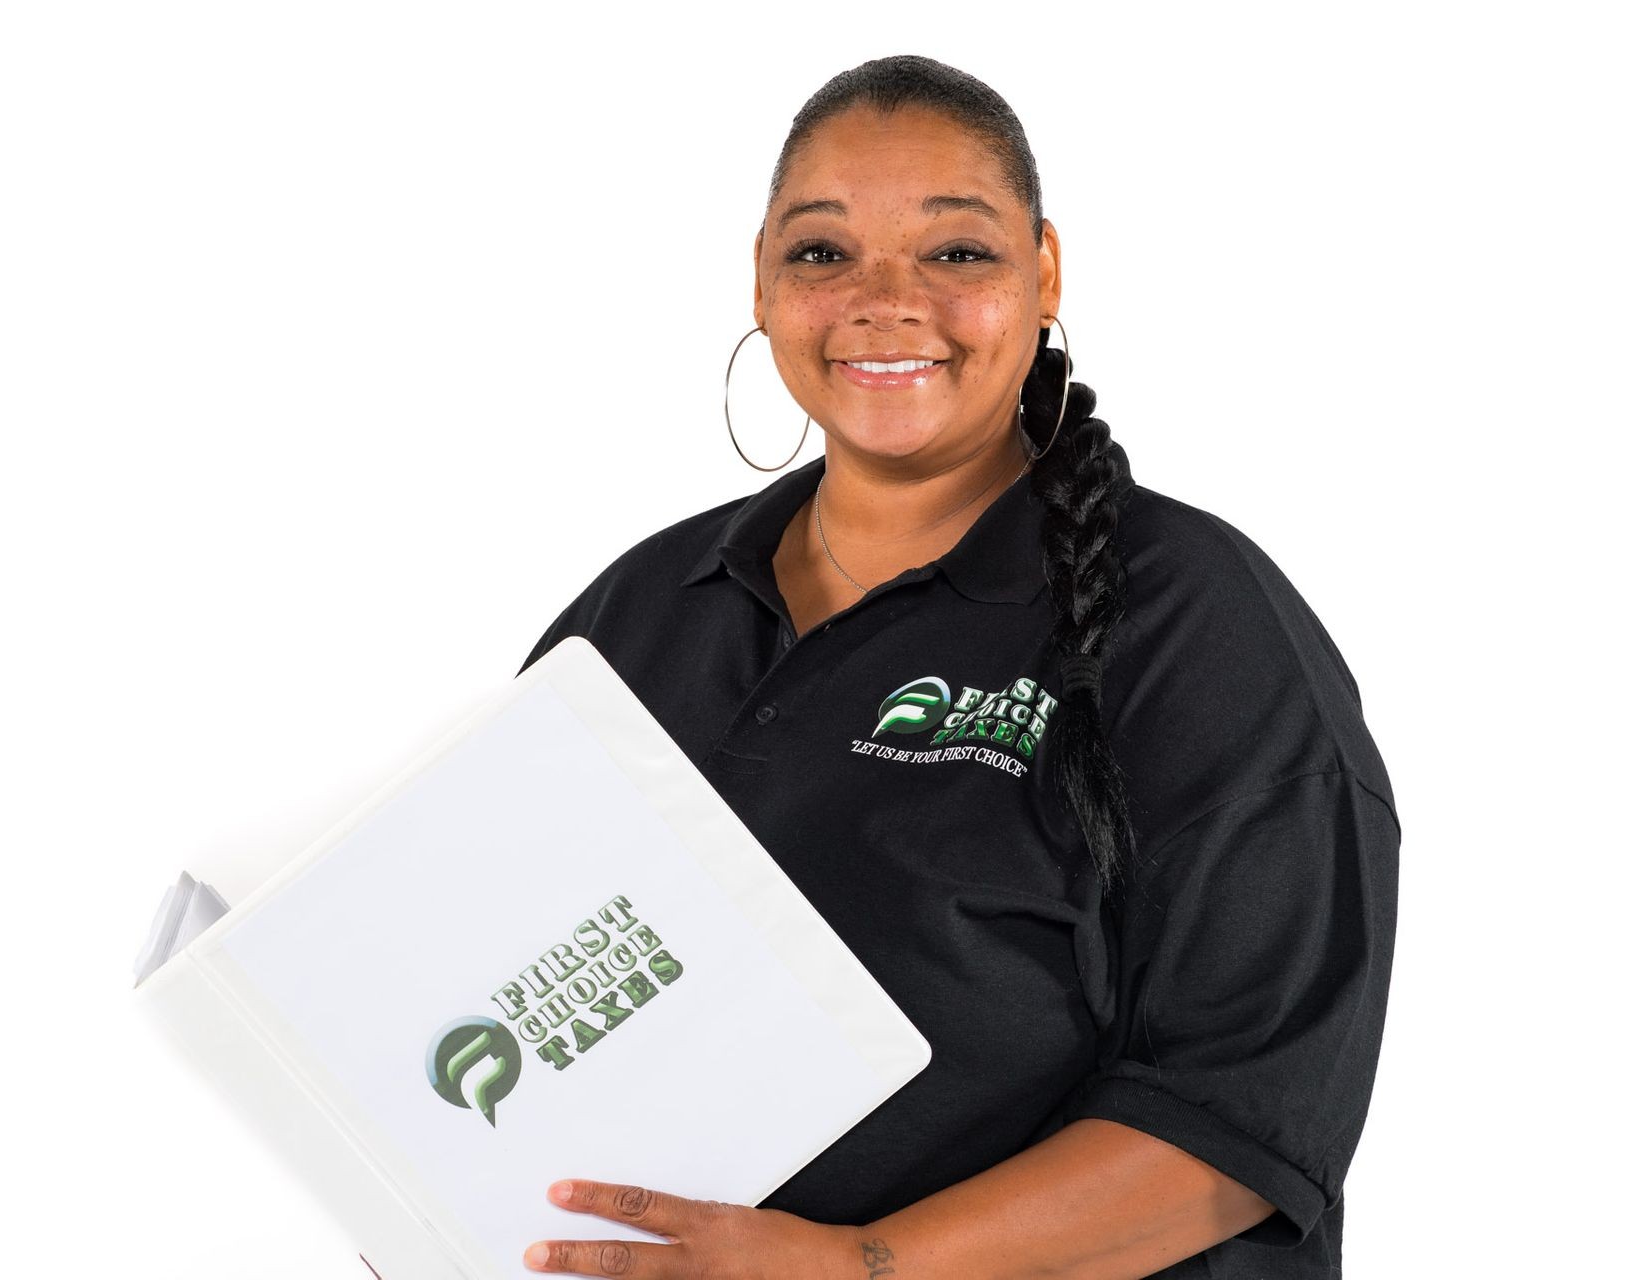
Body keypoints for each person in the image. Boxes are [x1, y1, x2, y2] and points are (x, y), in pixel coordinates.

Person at [513, 55, 1400, 1280]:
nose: (885, 299)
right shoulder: (644, 612)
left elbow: (1239, 1126)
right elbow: (507, 962)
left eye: (957, 253)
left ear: (1043, 273)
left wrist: (856, 1266)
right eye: (823, 253)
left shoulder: (1193, 620)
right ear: (762, 282)